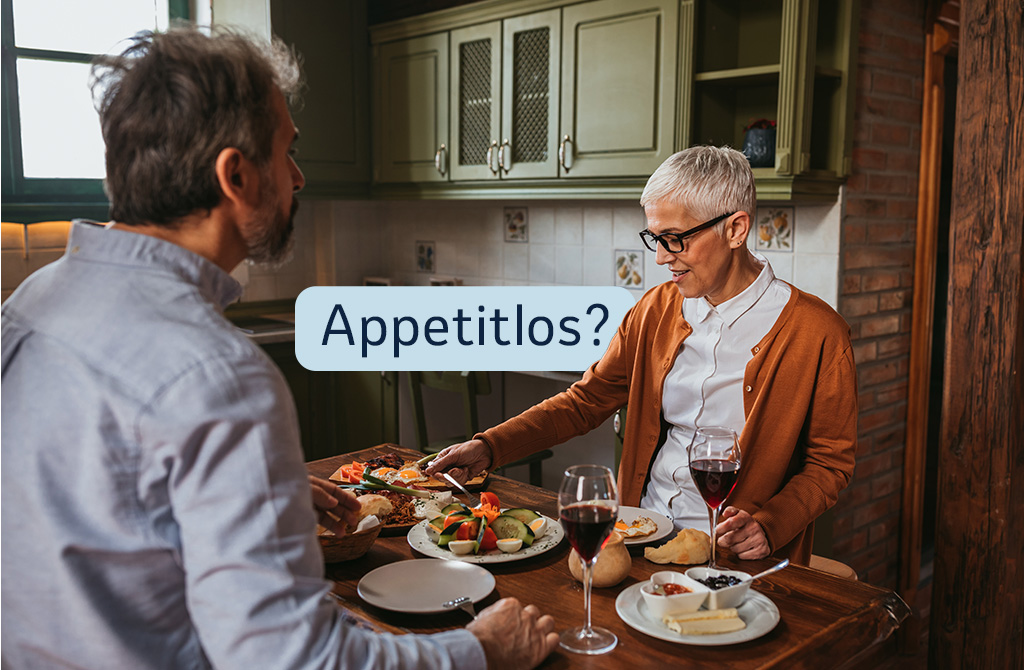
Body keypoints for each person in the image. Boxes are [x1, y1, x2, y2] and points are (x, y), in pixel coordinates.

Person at [0, 26, 557, 669]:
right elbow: (296, 660)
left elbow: (83, 497)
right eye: (286, 151)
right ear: (236, 175)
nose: (297, 177)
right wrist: (480, 650)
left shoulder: (32, 300)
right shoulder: (219, 375)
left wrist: (255, 489)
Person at [428, 146, 857, 565]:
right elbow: (585, 401)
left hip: (734, 561)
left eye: (675, 240)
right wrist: (490, 446)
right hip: (641, 537)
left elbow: (830, 464)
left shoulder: (818, 333)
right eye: (655, 237)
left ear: (735, 229)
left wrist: (771, 524)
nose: (660, 257)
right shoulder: (655, 308)